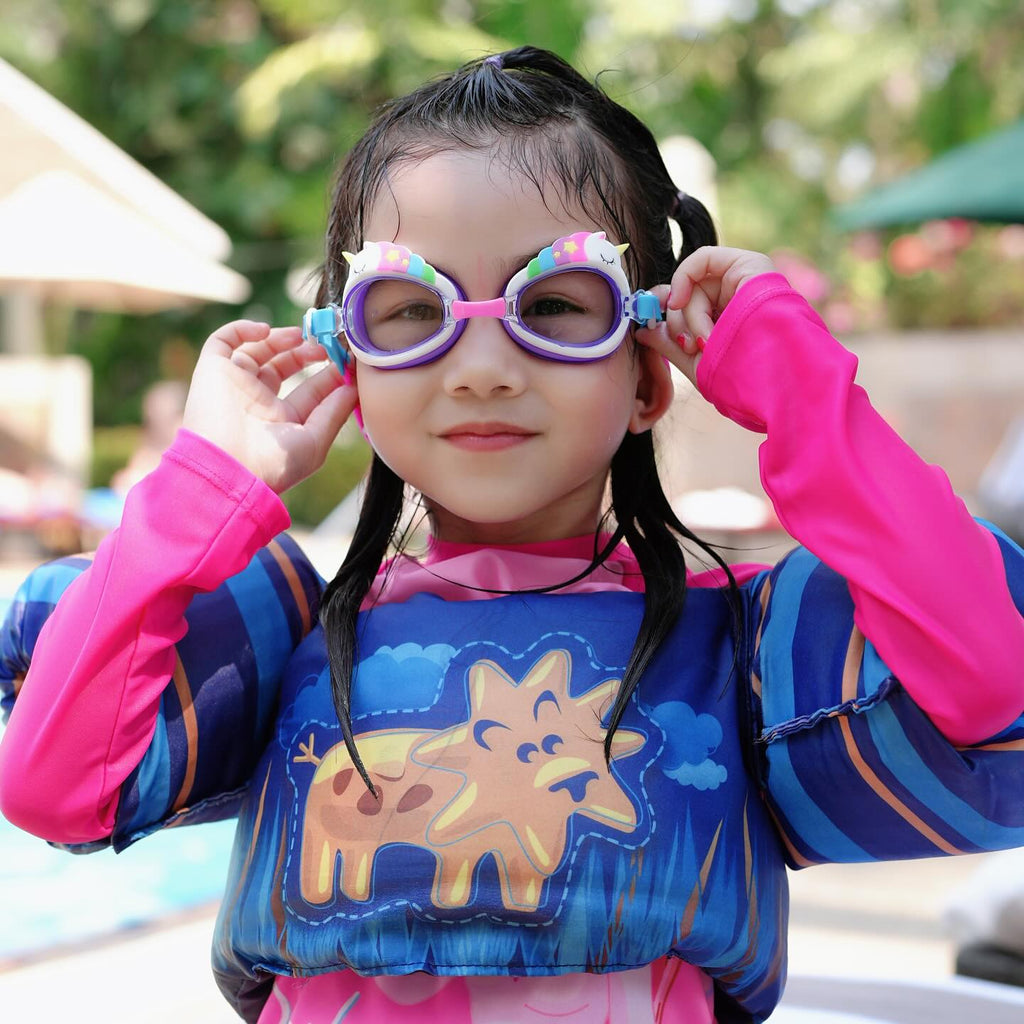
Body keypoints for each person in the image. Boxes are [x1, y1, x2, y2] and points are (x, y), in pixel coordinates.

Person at [1, 46, 1023, 1024]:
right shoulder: (290, 642)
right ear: (349, 362)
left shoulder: (734, 650)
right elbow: (54, 789)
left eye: (556, 304)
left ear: (647, 376)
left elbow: (994, 683)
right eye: (411, 309)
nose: (482, 367)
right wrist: (206, 483)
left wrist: (799, 390)